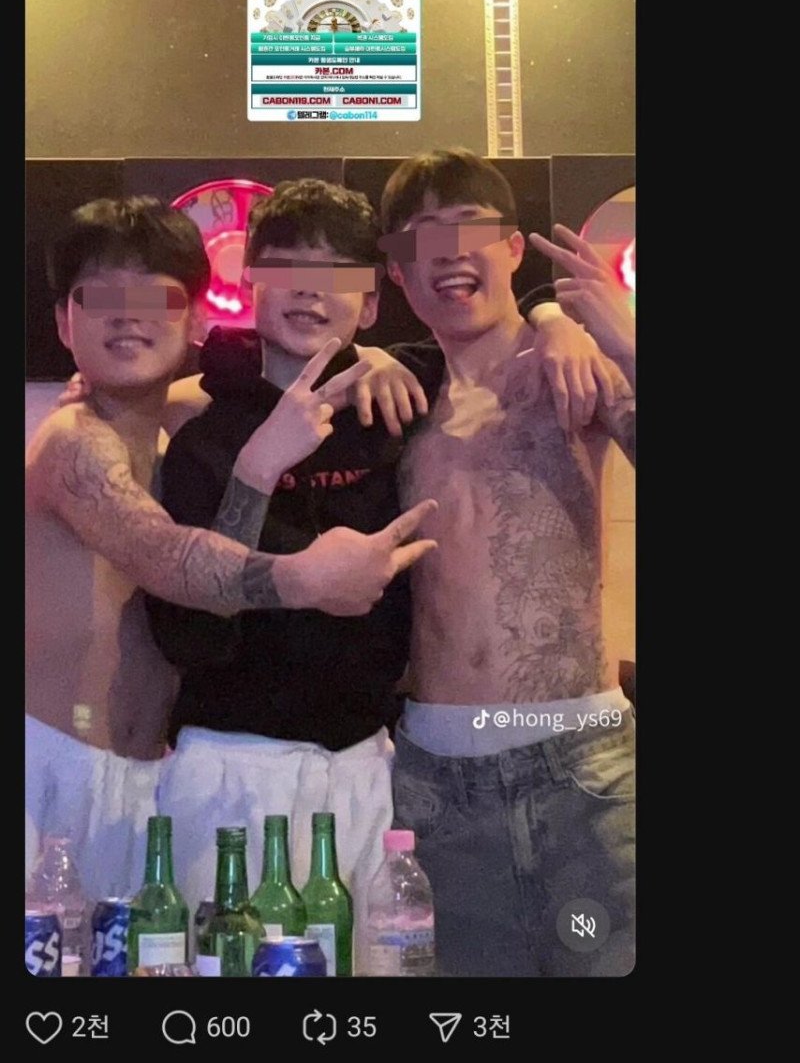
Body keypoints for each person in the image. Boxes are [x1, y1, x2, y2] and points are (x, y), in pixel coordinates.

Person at [143, 177, 608, 969]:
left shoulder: (400, 403)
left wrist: (555, 316)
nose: (309, 290)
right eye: (287, 267)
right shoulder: (201, 428)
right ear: (250, 284)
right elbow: (185, 631)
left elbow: (488, 322)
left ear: (369, 303)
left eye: (336, 274)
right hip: (228, 767)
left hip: (371, 771)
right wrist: (260, 467)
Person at [25, 196, 434, 901]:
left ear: (196, 320)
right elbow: (168, 559)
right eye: (102, 300)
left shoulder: (171, 433)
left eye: (155, 299)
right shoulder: (75, 440)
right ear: (64, 322)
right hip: (56, 773)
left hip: (149, 780)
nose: (128, 317)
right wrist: (305, 577)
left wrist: (377, 357)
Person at [378, 148, 636, 977]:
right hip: (435, 783)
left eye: (470, 229)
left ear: (514, 248)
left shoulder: (577, 369)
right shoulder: (394, 397)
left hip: (583, 768)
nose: (450, 253)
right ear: (397, 271)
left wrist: (621, 340)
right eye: (425, 237)